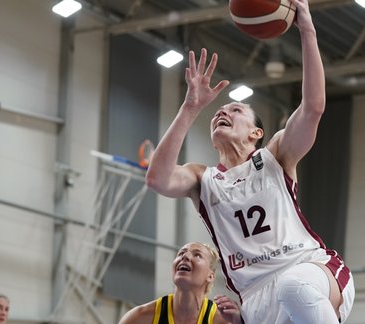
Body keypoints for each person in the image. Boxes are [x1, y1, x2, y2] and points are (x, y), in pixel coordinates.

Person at [145, 0, 354, 322]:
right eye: (219, 111)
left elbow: (313, 108)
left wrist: (307, 29)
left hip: (307, 268)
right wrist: (189, 108)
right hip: (254, 297)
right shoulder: (203, 178)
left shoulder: (276, 155)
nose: (223, 112)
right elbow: (158, 180)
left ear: (257, 132)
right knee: (286, 291)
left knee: (293, 286)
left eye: (236, 109)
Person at [119, 242, 242, 324]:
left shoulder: (223, 321)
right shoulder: (139, 318)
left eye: (197, 255)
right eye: (181, 253)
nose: (185, 256)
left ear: (210, 276)